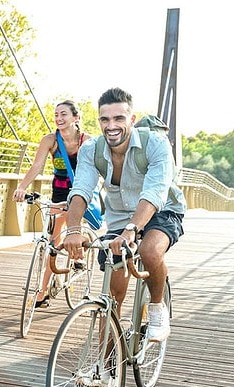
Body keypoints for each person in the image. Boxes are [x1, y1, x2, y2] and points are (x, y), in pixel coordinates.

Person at [62, 87, 186, 342]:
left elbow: (154, 192)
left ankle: (157, 307)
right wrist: (73, 230)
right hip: (119, 219)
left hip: (162, 211)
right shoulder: (91, 149)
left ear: (132, 119)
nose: (111, 126)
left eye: (119, 118)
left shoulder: (155, 143)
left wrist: (132, 230)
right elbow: (82, 190)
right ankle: (105, 371)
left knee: (150, 251)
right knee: (112, 296)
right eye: (105, 119)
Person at [12, 100, 91, 309]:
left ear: (76, 117)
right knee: (52, 241)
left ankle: (78, 254)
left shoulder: (87, 141)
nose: (59, 119)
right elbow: (37, 165)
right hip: (59, 192)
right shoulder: (50, 140)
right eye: (56, 115)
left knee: (73, 225)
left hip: (80, 192)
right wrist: (22, 186)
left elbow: (99, 168)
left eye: (64, 114)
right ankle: (43, 290)